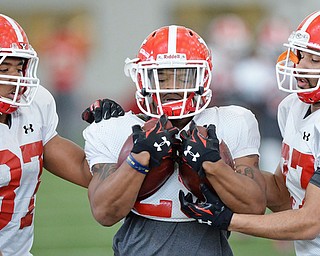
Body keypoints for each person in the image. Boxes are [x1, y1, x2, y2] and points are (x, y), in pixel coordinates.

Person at [83, 25, 266, 255]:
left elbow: (254, 207)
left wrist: (215, 166)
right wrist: (138, 159)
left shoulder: (232, 121)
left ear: (204, 76)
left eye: (182, 76)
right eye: (161, 76)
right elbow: (104, 212)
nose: (171, 88)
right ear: (142, 78)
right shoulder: (116, 129)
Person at [179, 10, 320, 256]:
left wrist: (228, 219)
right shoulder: (294, 108)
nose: (301, 66)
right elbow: (283, 193)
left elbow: (311, 222)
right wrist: (220, 170)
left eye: (315, 59)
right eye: (300, 55)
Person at [0, 14, 124, 255]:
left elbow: (82, 168)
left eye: (19, 67)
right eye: (4, 68)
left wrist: (109, 137)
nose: (15, 78)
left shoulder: (35, 105)